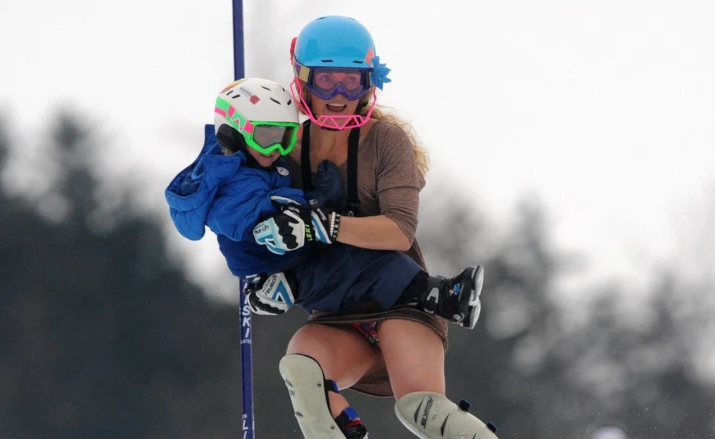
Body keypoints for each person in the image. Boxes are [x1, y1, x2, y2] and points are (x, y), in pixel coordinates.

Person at [245, 15, 585, 439]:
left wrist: (322, 224)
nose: (337, 95)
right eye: (324, 80)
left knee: (420, 406)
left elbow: (397, 229)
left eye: (351, 81)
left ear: (370, 80)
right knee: (301, 366)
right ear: (300, 78)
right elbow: (255, 225)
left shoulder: (386, 141)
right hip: (336, 314)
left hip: (401, 303)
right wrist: (265, 281)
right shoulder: (285, 141)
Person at [166, 77, 484, 326]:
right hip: (278, 265)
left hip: (293, 252)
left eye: (285, 136)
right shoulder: (225, 185)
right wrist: (318, 202)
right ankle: (440, 297)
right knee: (361, 264)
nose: (276, 148)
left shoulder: (247, 163)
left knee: (362, 254)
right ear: (232, 133)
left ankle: (435, 297)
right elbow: (263, 215)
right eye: (266, 136)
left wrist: (318, 206)